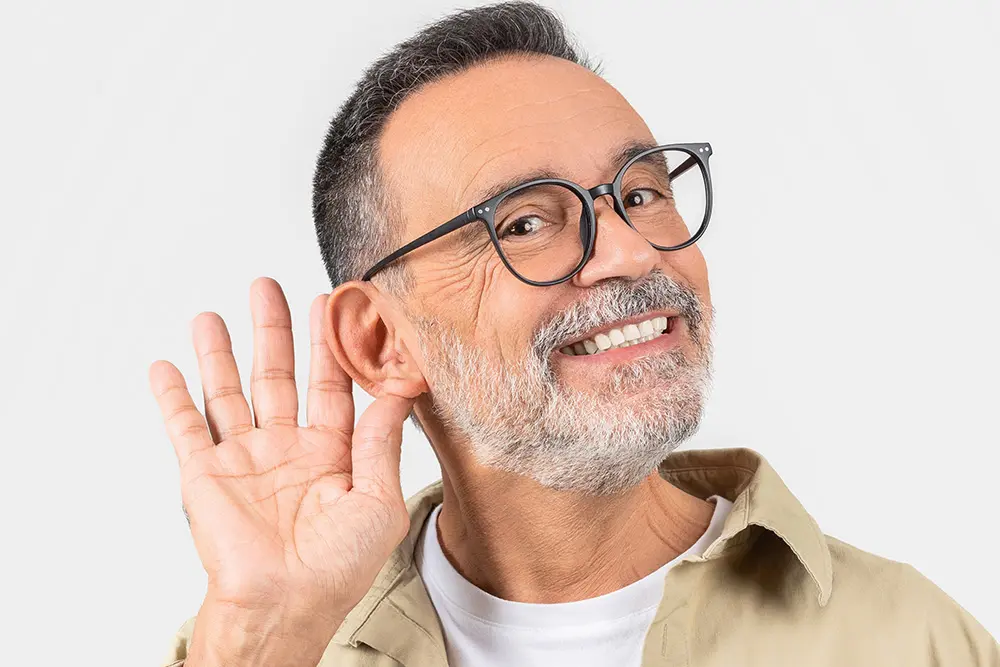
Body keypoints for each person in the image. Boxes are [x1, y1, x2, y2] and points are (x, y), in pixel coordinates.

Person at [150, 3, 998, 666]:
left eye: (639, 192)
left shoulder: (913, 640)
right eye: (524, 224)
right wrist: (263, 641)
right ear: (380, 341)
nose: (630, 252)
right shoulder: (271, 642)